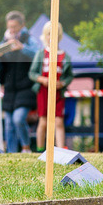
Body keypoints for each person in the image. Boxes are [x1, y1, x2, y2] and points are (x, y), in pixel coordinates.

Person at [0, 11, 38, 153]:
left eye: (15, 27)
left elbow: (39, 54)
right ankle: (11, 154)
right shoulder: (4, 41)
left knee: (19, 118)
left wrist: (22, 48)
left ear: (22, 25)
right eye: (10, 27)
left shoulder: (29, 39)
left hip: (26, 87)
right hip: (10, 88)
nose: (12, 30)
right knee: (9, 125)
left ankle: (26, 147)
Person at [30, 23, 73, 151]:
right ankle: (39, 148)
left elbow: (69, 75)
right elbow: (32, 73)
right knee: (43, 121)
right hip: (43, 91)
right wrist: (42, 79)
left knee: (58, 121)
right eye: (49, 34)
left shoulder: (65, 56)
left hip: (58, 93)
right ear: (45, 35)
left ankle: (60, 149)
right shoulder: (41, 54)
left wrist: (63, 83)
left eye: (54, 34)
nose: (51, 37)